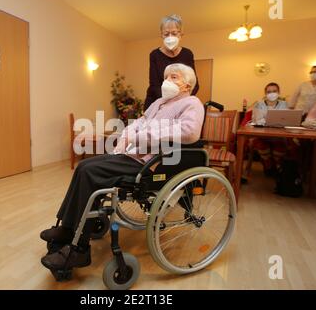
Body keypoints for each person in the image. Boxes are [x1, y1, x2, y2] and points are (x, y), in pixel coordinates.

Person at [40, 63, 204, 271]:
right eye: (166, 77)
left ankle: (79, 249)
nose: (167, 82)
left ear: (187, 84)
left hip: (152, 162)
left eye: (173, 77)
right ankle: (67, 227)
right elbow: (138, 123)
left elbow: (190, 132)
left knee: (92, 172)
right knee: (84, 167)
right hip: (131, 153)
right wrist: (126, 135)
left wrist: (144, 136)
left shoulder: (192, 103)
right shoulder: (158, 103)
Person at [144, 14, 199, 110]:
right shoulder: (155, 55)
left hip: (181, 104)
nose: (170, 37)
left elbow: (194, 84)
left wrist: (180, 102)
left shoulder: (187, 54)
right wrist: (167, 104)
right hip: (157, 102)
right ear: (161, 35)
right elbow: (155, 85)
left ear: (181, 34)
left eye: (174, 33)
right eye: (166, 34)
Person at [251, 83, 290, 176]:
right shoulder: (259, 104)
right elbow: (256, 119)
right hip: (262, 135)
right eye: (269, 92)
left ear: (279, 92)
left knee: (281, 145)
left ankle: (276, 164)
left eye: (274, 91)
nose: (272, 93)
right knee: (261, 144)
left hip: (279, 136)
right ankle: (267, 163)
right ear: (265, 93)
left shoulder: (284, 104)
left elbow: (287, 119)